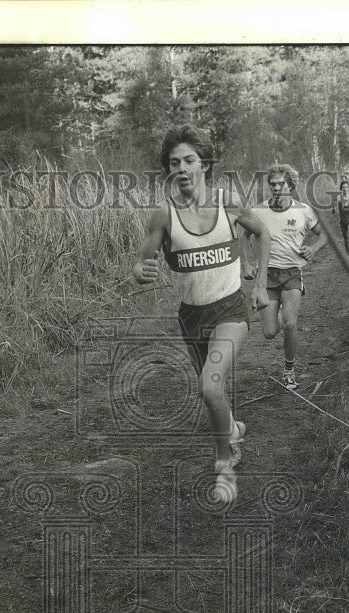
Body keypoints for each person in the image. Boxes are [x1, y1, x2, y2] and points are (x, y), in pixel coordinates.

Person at [132, 125, 270, 506]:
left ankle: (224, 464)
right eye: (174, 162)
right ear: (168, 170)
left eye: (190, 160)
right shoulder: (163, 216)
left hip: (230, 311)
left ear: (205, 164)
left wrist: (259, 284)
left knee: (209, 386)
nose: (182, 168)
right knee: (215, 395)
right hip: (191, 318)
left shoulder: (229, 203)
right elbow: (143, 262)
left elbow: (264, 234)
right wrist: (138, 271)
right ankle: (233, 429)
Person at [249, 164, 327, 392]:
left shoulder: (304, 210)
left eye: (280, 183)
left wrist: (314, 249)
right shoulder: (258, 212)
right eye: (272, 184)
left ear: (290, 186)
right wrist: (246, 263)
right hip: (267, 275)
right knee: (270, 332)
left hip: (292, 272)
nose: (275, 188)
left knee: (290, 324)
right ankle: (282, 313)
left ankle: (289, 371)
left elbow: (324, 235)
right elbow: (242, 236)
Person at [336, 178, 349, 258]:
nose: (345, 188)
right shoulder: (338, 197)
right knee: (345, 238)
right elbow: (339, 210)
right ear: (341, 188)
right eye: (343, 187)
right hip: (342, 219)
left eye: (346, 187)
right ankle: (348, 254)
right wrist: (339, 219)